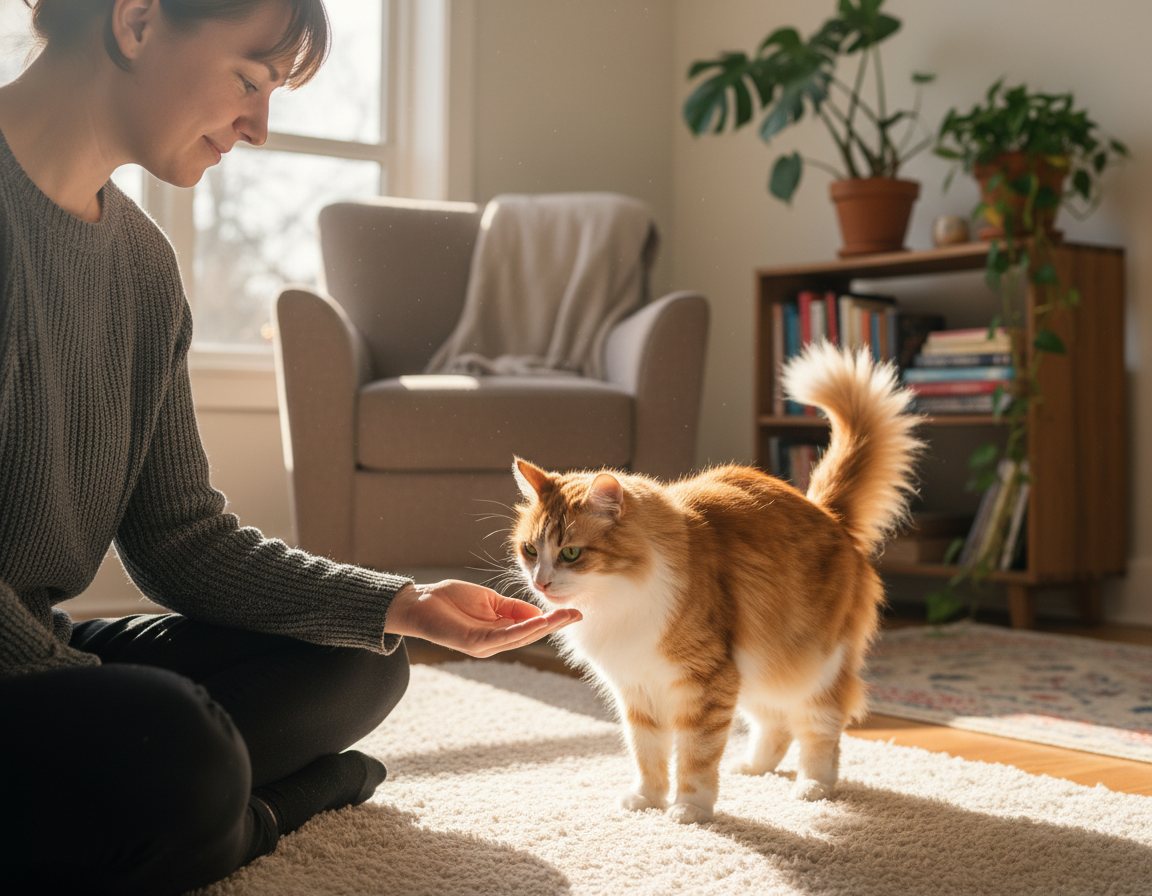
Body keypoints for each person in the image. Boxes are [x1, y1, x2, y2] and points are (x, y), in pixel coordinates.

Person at [0, 1, 581, 893]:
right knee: (177, 749)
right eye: (249, 79)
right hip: (25, 665)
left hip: (40, 653)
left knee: (362, 651)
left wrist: (408, 603)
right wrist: (81, 687)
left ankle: (200, 798)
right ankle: (268, 808)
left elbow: (182, 539)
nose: (260, 128)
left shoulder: (144, 270)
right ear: (138, 20)